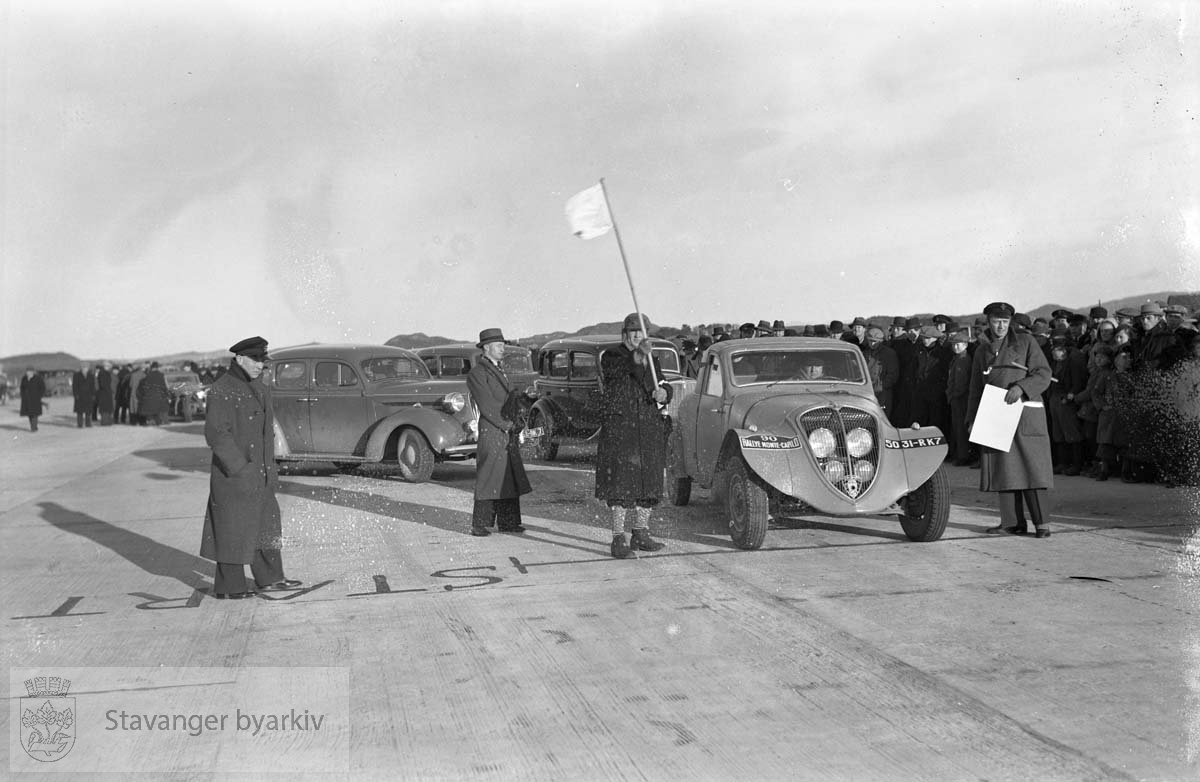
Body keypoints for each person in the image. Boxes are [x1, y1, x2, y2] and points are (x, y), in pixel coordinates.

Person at [200, 336, 301, 599]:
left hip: (261, 473)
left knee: (267, 525)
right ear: (240, 359)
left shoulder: (260, 386)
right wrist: (240, 468)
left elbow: (266, 433)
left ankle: (270, 578)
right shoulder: (222, 389)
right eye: (256, 360)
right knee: (232, 529)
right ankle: (229, 587)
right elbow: (216, 434)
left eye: (263, 360)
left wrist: (270, 468)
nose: (260, 365)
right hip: (236, 475)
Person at [966, 302, 1054, 538]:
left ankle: (1042, 524)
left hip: (1025, 414)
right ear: (988, 321)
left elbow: (1044, 373)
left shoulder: (1026, 342)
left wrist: (1022, 387)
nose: (1001, 326)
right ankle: (1011, 523)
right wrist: (972, 419)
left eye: (1005, 321)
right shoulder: (981, 350)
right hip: (995, 414)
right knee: (1003, 469)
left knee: (1032, 469)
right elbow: (975, 388)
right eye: (996, 321)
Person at [595, 313, 672, 558]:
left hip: (648, 427)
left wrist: (665, 393)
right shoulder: (612, 357)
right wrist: (638, 356)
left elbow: (662, 383)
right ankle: (618, 538)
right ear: (624, 334)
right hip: (622, 430)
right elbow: (621, 371)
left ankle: (641, 532)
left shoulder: (652, 360)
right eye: (632, 331)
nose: (637, 335)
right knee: (621, 485)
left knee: (648, 482)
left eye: (641, 331)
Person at [465, 328, 532, 536]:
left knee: (507, 475)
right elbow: (487, 405)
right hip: (494, 430)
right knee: (489, 476)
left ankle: (509, 522)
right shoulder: (477, 374)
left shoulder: (498, 369)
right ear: (486, 348)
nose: (503, 349)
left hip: (504, 429)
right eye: (499, 346)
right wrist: (508, 425)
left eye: (503, 345)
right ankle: (480, 524)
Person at [19, 366, 46, 432]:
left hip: (35, 399)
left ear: (32, 372)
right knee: (29, 414)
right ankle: (34, 426)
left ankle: (33, 428)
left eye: (29, 371)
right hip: (27, 400)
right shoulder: (24, 378)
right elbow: (22, 388)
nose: (27, 373)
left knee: (34, 414)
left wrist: (39, 396)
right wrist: (22, 395)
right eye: (27, 371)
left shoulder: (38, 378)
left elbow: (43, 388)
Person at [72, 362, 96, 428]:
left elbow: (93, 386)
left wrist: (93, 394)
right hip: (80, 396)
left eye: (86, 367)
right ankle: (80, 424)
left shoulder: (91, 376)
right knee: (80, 411)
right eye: (84, 367)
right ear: (81, 368)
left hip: (88, 396)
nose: (85, 369)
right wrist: (75, 394)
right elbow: (74, 386)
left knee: (88, 411)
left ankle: (88, 424)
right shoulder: (76, 375)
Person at [96, 361, 115, 426]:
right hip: (104, 393)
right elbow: (103, 384)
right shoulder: (102, 373)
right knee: (105, 409)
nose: (110, 368)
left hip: (106, 393)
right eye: (109, 366)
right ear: (106, 366)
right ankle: (105, 422)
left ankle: (108, 421)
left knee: (107, 409)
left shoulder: (105, 373)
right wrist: (108, 389)